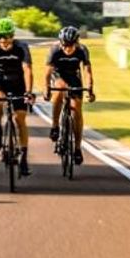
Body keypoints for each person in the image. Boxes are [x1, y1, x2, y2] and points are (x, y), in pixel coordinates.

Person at [0, 17, 34, 176]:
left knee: (20, 119)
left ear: (13, 36)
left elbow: (27, 70)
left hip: (18, 84)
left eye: (6, 36)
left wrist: (29, 91)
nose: (3, 40)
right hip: (0, 83)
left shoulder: (22, 48)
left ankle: (24, 157)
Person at [44, 26, 96, 164]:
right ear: (61, 43)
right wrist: (47, 89)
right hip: (58, 75)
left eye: (71, 45)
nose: (68, 48)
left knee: (77, 109)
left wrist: (90, 88)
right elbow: (47, 73)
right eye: (65, 45)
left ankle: (78, 148)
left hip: (74, 76)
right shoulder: (54, 50)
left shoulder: (82, 50)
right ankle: (55, 125)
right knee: (60, 90)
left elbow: (87, 71)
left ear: (77, 43)